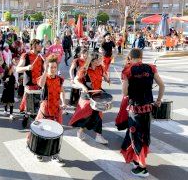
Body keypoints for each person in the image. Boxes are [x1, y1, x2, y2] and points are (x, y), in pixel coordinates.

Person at [120, 48, 164, 177]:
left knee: (136, 137)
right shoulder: (151, 68)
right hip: (147, 109)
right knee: (144, 135)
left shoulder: (127, 71)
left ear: (130, 57)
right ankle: (136, 159)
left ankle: (142, 168)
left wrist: (126, 83)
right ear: (141, 56)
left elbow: (125, 93)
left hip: (135, 110)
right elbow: (162, 85)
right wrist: (159, 100)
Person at [69, 52, 110, 144]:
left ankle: (98, 136)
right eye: (99, 59)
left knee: (98, 115)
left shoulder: (100, 68)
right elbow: (76, 80)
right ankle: (80, 131)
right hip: (87, 96)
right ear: (92, 61)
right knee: (86, 116)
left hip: (97, 95)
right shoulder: (84, 69)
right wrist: (83, 87)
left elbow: (105, 76)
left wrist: (107, 78)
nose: (101, 61)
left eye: (101, 59)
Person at [32, 55, 66, 164]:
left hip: (56, 108)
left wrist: (64, 102)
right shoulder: (44, 77)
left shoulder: (60, 79)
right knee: (42, 130)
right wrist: (45, 72)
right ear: (47, 67)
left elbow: (62, 92)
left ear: (57, 68)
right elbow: (40, 84)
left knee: (57, 132)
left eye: (54, 67)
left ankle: (55, 154)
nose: (53, 69)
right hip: (45, 108)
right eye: (50, 67)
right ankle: (39, 152)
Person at [16, 39, 44, 114]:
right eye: (39, 45)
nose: (41, 46)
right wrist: (26, 67)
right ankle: (26, 113)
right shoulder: (26, 55)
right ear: (34, 46)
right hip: (29, 83)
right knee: (29, 102)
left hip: (39, 83)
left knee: (37, 103)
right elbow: (17, 69)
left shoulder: (41, 56)